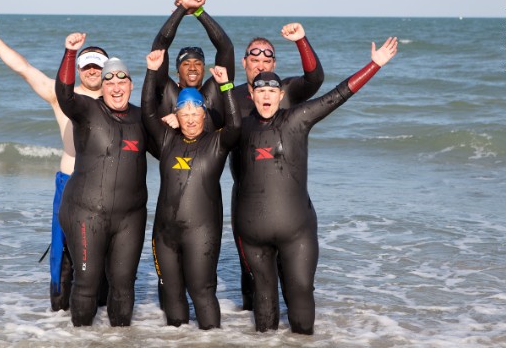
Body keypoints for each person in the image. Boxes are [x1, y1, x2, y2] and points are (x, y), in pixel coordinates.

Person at [234, 37, 398, 334]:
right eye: (261, 91)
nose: (267, 96)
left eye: (272, 90)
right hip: (252, 233)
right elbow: (197, 130)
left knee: (300, 300)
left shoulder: (298, 118)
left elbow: (338, 94)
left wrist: (374, 65)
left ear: (281, 94)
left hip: (296, 230)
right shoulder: (239, 126)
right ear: (253, 96)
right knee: (264, 315)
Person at [0, 18, 109, 312]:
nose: (92, 71)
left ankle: (102, 329)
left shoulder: (117, 100)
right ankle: (57, 320)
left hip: (105, 189)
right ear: (78, 69)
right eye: (87, 66)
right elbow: (24, 69)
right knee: (63, 254)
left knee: (104, 256)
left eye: (98, 66)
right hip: (70, 183)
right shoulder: (62, 97)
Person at [142, 49, 241, 329]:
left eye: (195, 110)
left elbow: (235, 124)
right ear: (176, 115)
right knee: (172, 295)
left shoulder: (216, 144)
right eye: (183, 111)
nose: (190, 117)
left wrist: (226, 85)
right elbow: (148, 110)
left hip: (203, 234)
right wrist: (151, 72)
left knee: (202, 292)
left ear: (204, 113)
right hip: (164, 234)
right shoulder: (165, 141)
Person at [55, 32, 149, 327]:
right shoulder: (87, 111)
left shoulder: (143, 118)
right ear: (102, 87)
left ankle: (120, 341)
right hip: (85, 212)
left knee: (123, 285)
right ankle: (82, 340)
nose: (117, 88)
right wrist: (70, 53)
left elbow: (176, 147)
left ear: (132, 85)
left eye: (123, 82)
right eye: (110, 82)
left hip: (130, 218)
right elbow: (64, 94)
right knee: (86, 282)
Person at [230, 22, 325, 311]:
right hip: (245, 201)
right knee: (252, 278)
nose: (260, 65)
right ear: (243, 62)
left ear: (274, 63)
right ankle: (250, 334)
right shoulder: (230, 98)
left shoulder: (286, 91)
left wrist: (301, 41)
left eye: (267, 60)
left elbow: (315, 78)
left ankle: (291, 332)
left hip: (286, 201)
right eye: (254, 59)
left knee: (292, 276)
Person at [151, 0, 235, 131]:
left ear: (203, 69)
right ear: (177, 72)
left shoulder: (215, 92)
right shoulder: (167, 92)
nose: (192, 68)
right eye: (186, 64)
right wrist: (182, 8)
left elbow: (226, 48)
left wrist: (198, 11)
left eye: (197, 63)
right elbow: (159, 47)